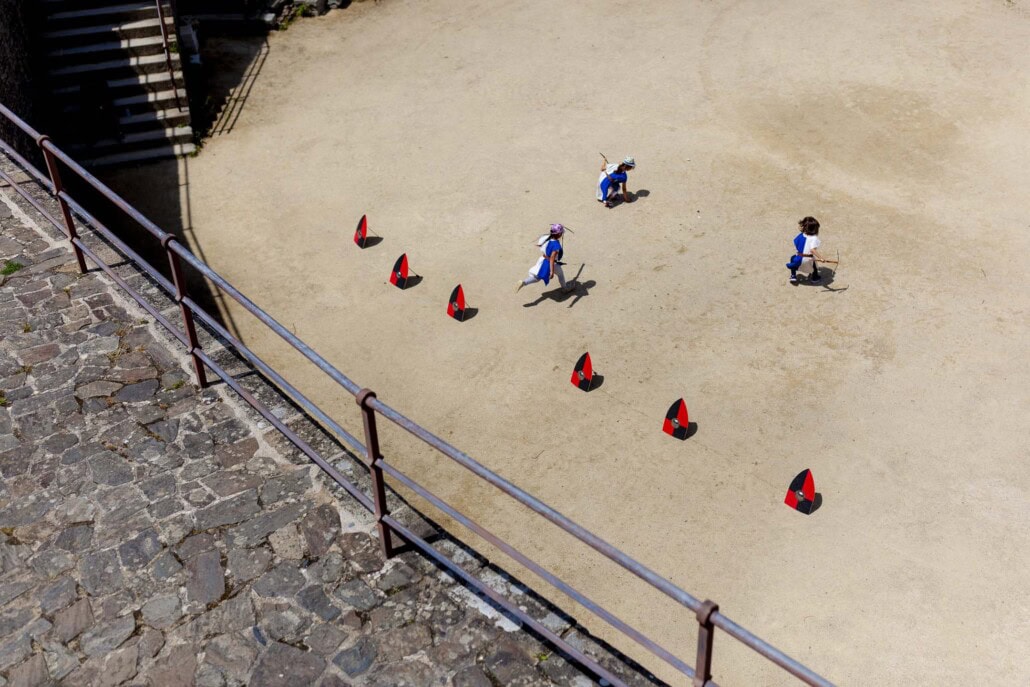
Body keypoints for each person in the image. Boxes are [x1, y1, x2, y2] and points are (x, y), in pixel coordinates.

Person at [516, 224, 573, 293]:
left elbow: (541, 246)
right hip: (552, 264)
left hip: (543, 260)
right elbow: (552, 259)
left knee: (537, 277)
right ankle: (565, 288)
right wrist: (552, 272)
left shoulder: (546, 238)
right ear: (559, 234)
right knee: (560, 274)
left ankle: (524, 282)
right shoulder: (556, 246)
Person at [786, 216, 837, 284]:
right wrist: (821, 258)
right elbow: (812, 250)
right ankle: (815, 278)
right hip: (808, 258)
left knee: (792, 258)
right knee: (814, 267)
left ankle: (793, 276)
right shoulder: (814, 238)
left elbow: (795, 241)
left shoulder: (801, 235)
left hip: (798, 257)